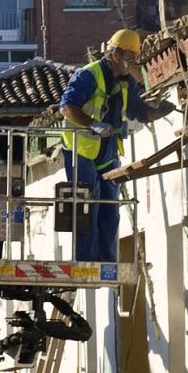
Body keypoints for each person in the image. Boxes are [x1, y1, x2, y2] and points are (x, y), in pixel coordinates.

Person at [58, 28, 150, 264]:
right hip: (80, 151)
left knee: (110, 210)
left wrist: (158, 111)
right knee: (87, 206)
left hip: (108, 152)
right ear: (116, 55)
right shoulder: (89, 75)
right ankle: (86, 262)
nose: (133, 64)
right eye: (130, 58)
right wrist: (93, 124)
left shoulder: (127, 81)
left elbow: (138, 110)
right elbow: (67, 107)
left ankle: (107, 263)